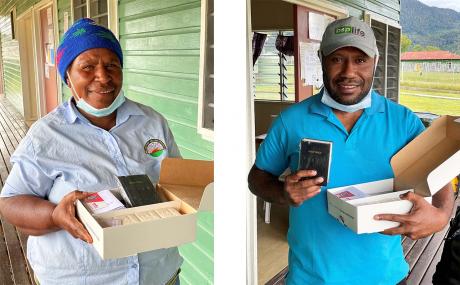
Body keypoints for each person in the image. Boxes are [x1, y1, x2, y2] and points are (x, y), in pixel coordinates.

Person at [248, 16, 454, 285]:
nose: (348, 71)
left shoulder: (403, 122)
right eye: (337, 58)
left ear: (375, 62)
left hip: (386, 277)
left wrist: (439, 217)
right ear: (322, 59)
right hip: (312, 278)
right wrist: (283, 192)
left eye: (360, 60)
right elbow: (257, 178)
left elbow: (440, 178)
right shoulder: (292, 121)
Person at [0, 18, 182, 285]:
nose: (103, 76)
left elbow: (175, 180)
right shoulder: (46, 135)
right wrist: (55, 216)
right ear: (67, 77)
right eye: (87, 67)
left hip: (159, 274)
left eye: (112, 65)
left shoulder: (152, 122)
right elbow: (11, 203)